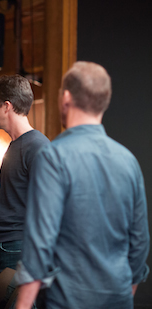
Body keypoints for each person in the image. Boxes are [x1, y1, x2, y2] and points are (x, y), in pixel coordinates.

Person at [14, 61, 150, 309]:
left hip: (68, 301)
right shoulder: (128, 161)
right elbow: (140, 242)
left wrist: (22, 306)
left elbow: (40, 244)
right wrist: (123, 293)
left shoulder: (53, 157)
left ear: (66, 98)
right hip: (119, 299)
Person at [0, 75, 50, 308]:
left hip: (20, 251)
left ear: (7, 106)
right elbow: (9, 203)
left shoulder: (38, 147)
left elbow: (48, 208)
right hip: (5, 248)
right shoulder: (14, 146)